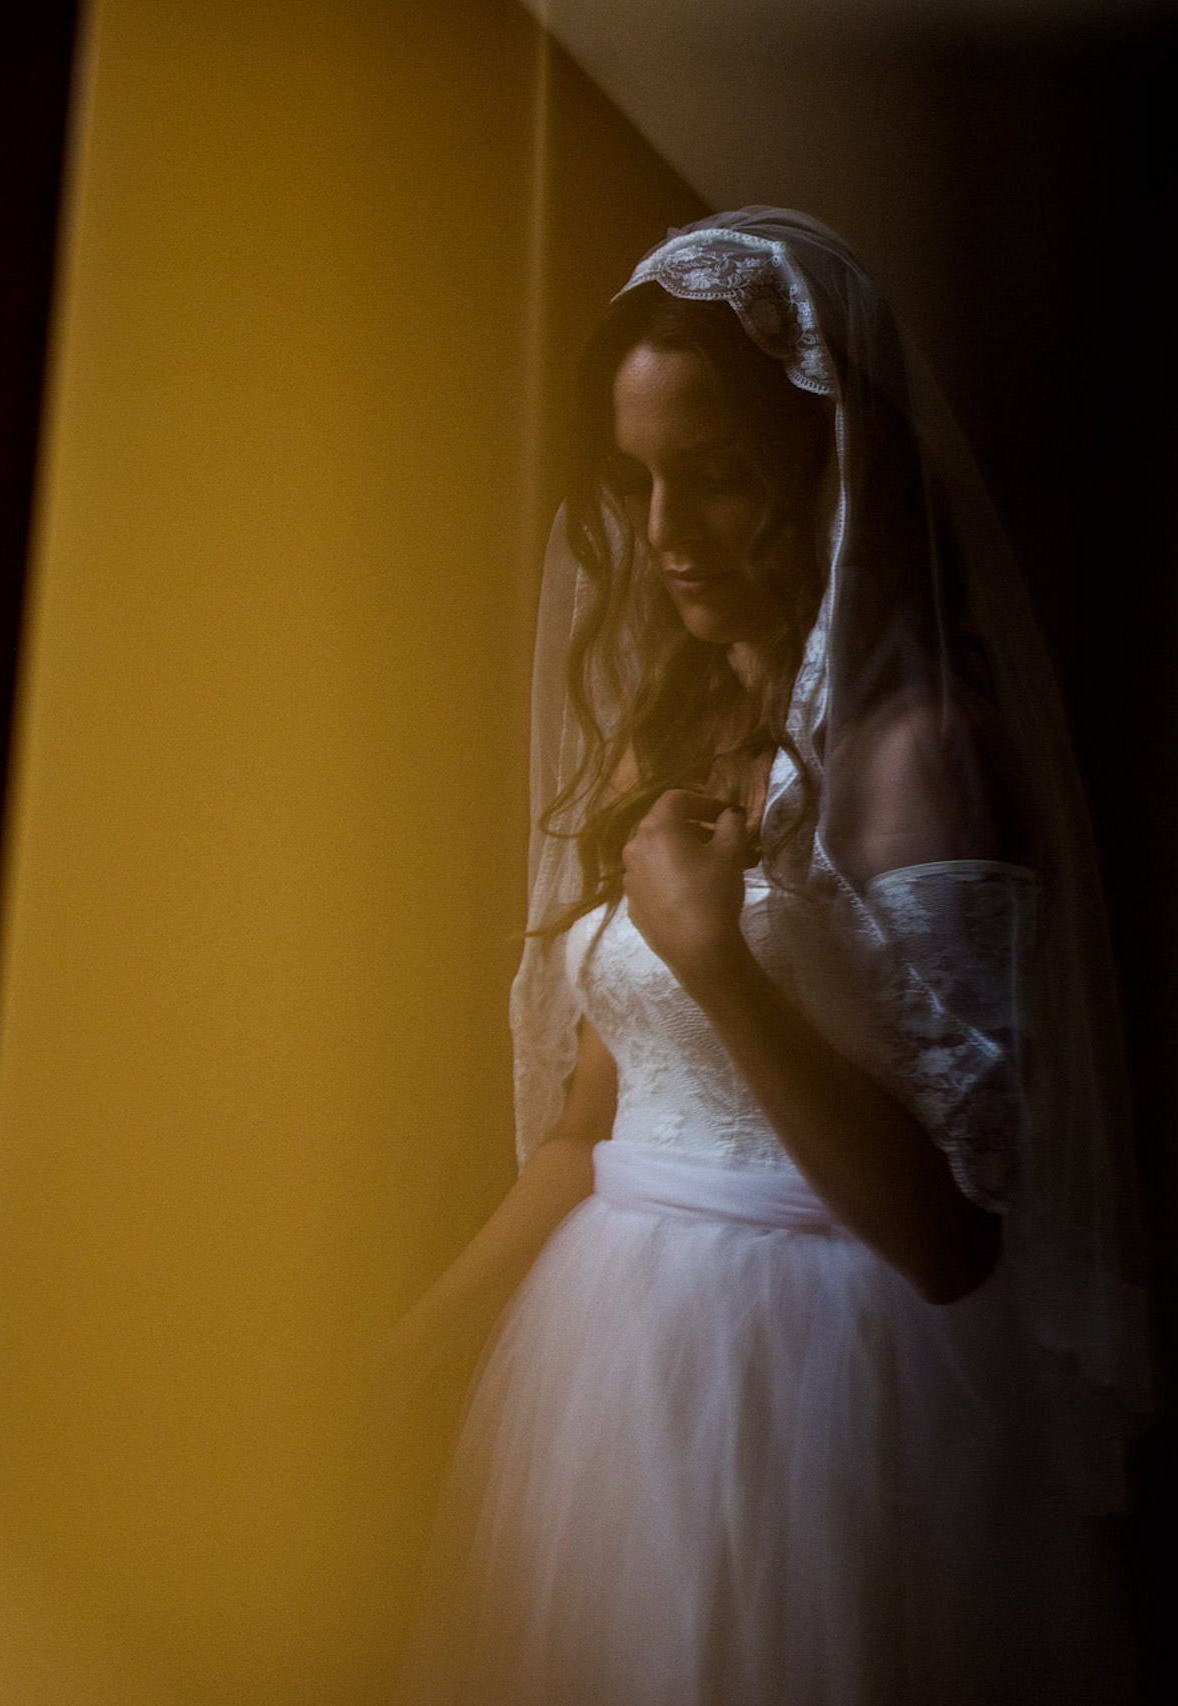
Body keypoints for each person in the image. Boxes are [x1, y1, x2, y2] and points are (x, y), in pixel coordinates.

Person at [392, 210, 1145, 1703]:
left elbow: (949, 1236)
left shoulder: (922, 758)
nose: (663, 533)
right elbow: (589, 1125)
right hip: (601, 1366)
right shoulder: (667, 739)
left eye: (717, 476)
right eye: (637, 479)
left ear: (830, 470)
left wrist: (712, 955)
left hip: (816, 1391)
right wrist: (407, 1354)